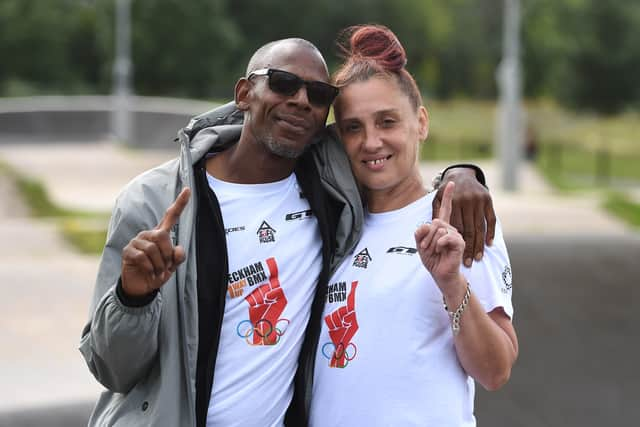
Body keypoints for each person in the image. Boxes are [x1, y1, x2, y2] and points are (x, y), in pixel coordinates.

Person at [79, 37, 495, 427]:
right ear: (243, 94)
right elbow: (112, 369)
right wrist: (133, 298)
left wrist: (462, 177)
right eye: (282, 84)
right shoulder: (154, 202)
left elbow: (386, 144)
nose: (300, 101)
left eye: (318, 95)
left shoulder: (330, 192)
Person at [308, 25, 518, 426]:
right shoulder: (328, 226)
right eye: (354, 127)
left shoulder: (458, 219)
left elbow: (496, 371)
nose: (371, 142)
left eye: (387, 122)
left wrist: (452, 283)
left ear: (420, 123)